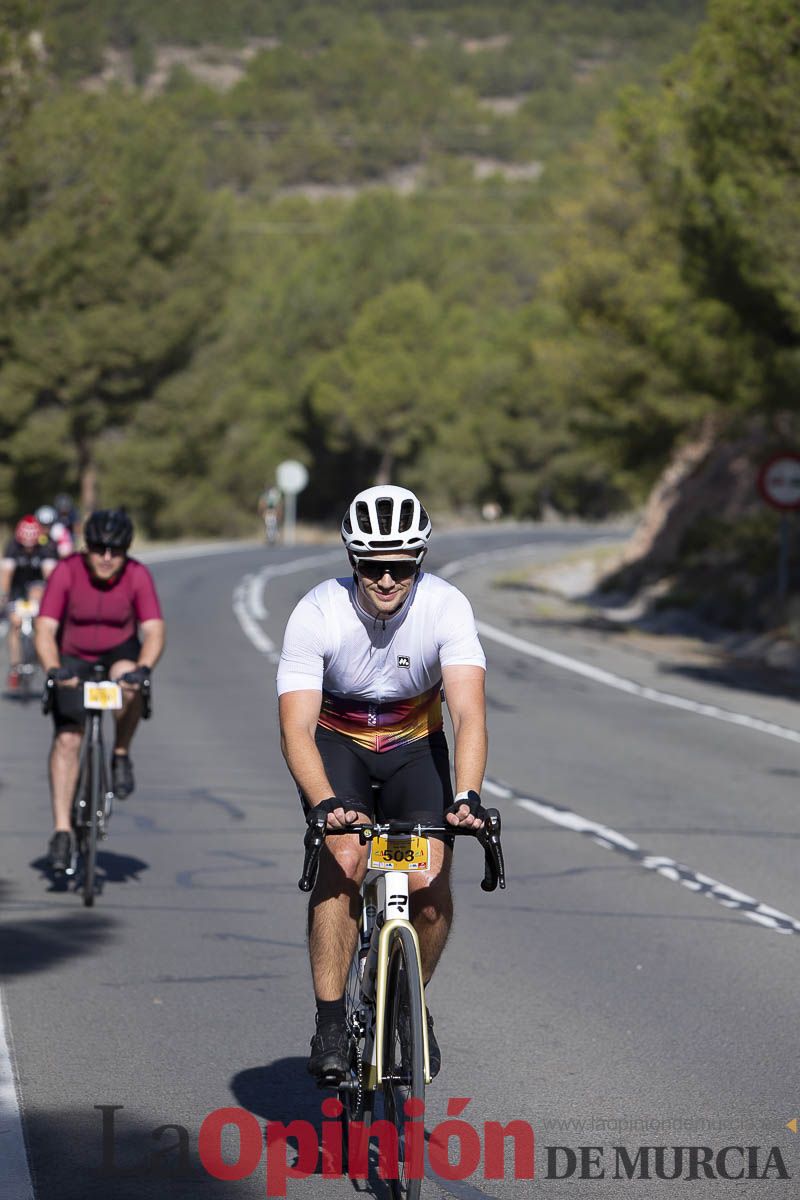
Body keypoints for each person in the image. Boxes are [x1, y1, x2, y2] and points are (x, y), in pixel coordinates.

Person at [277, 484, 487, 1083]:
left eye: (401, 566)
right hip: (336, 746)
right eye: (374, 566)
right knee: (343, 856)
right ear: (353, 561)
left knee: (428, 878)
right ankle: (329, 1021)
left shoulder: (446, 608)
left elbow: (468, 714)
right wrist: (324, 803)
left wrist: (467, 795)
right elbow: (295, 727)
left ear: (418, 560)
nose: (388, 579)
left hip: (413, 749)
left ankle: (408, 1001)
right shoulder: (318, 611)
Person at [35, 508, 166, 872]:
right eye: (98, 548)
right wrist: (53, 670)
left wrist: (142, 669)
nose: (107, 557)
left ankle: (120, 752)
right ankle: (62, 829)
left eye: (116, 550)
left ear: (126, 550)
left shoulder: (138, 575)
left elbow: (154, 630)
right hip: (72, 656)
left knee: (130, 683)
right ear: (86, 547)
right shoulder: (66, 571)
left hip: (117, 652)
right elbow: (45, 628)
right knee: (67, 741)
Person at [1, 516, 59, 690]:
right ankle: (15, 665)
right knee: (15, 622)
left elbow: (50, 576)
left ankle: (41, 650)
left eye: (31, 543)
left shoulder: (46, 548)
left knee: (40, 610)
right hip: (17, 588)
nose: (28, 547)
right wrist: (3, 595)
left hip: (37, 587)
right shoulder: (12, 547)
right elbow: (6, 575)